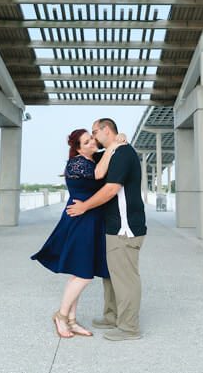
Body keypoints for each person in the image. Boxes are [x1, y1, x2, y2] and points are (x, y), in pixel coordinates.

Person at [67, 118, 148, 341]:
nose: (93, 138)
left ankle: (129, 327)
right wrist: (114, 142)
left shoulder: (123, 154)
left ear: (105, 130)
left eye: (94, 132)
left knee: (125, 279)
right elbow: (92, 165)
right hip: (112, 227)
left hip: (126, 228)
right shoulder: (111, 152)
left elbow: (111, 189)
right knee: (111, 276)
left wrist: (84, 206)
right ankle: (112, 316)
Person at [31, 129, 112, 338]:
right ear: (78, 148)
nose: (92, 142)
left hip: (90, 219)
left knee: (79, 271)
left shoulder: (91, 160)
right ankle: (61, 315)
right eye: (87, 142)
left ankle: (73, 321)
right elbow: (99, 175)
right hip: (80, 219)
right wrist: (112, 146)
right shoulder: (77, 163)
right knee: (84, 275)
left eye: (92, 139)